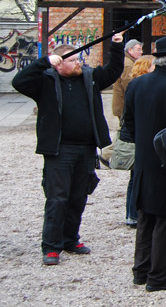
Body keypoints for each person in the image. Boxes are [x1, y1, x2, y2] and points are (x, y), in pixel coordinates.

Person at [13, 33, 125, 266]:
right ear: (59, 63)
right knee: (57, 199)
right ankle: (51, 246)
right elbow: (19, 82)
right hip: (59, 150)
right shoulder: (45, 81)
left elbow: (114, 71)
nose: (78, 63)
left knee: (78, 196)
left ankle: (70, 239)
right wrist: (44, 61)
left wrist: (116, 46)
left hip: (86, 149)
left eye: (78, 59)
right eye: (72, 60)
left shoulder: (90, 78)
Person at [123, 35, 166, 292]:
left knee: (146, 217)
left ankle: (141, 271)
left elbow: (128, 124)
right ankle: (159, 276)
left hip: (144, 160)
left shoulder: (137, 84)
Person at [118, 53, 154, 228]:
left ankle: (132, 214)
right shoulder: (139, 86)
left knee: (135, 178)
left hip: (134, 135)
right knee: (136, 178)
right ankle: (133, 214)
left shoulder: (137, 84)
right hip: (135, 138)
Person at [112, 39, 143, 124]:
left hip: (124, 105)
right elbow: (129, 86)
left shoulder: (128, 61)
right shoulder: (128, 64)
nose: (141, 52)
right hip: (124, 106)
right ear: (130, 50)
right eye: (138, 49)